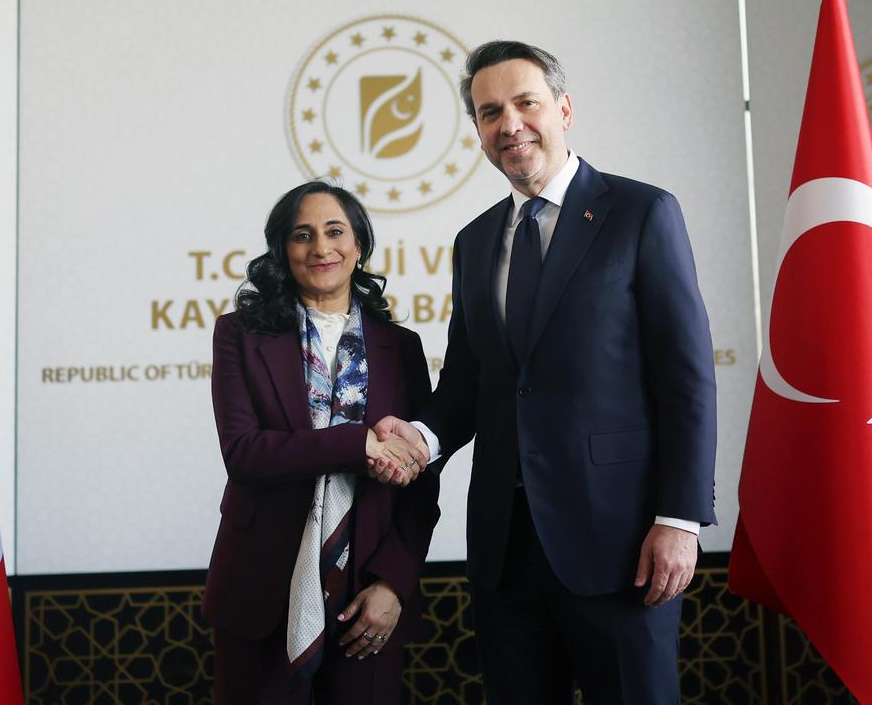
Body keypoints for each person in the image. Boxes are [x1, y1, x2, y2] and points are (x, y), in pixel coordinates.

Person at [372, 41, 716, 703]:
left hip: (623, 546)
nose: (509, 124)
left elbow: (688, 380)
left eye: (525, 103)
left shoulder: (641, 214)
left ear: (563, 108)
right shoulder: (474, 242)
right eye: (489, 111)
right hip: (506, 556)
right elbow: (469, 386)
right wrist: (420, 436)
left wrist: (679, 518)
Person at [204, 180, 438, 704]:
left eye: (335, 231)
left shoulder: (401, 348)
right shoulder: (240, 334)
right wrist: (357, 445)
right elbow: (243, 453)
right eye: (301, 235)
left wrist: (393, 584)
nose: (320, 248)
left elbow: (422, 484)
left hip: (367, 595)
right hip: (261, 589)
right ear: (282, 251)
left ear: (359, 245)